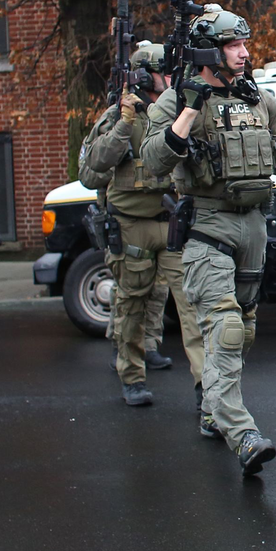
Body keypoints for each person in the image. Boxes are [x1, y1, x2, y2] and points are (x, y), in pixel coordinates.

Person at [142, 5, 276, 477]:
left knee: (244, 330)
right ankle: (242, 432)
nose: (244, 53)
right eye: (233, 45)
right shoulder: (176, 101)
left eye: (243, 44)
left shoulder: (261, 100)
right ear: (209, 51)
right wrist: (189, 107)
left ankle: (213, 409)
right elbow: (152, 161)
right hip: (207, 227)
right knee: (226, 328)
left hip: (254, 227)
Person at [79, 40, 203, 408]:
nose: (170, 77)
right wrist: (123, 126)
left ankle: (206, 387)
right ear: (144, 76)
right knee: (131, 305)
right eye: (163, 72)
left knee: (191, 305)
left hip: (171, 224)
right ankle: (131, 375)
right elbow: (90, 172)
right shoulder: (118, 117)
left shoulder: (177, 111)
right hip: (130, 225)